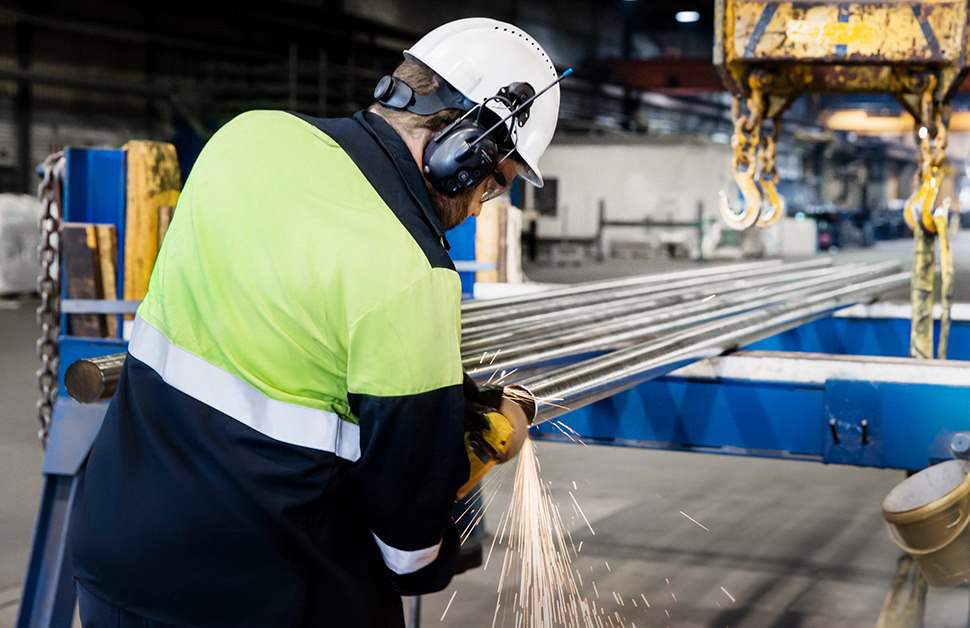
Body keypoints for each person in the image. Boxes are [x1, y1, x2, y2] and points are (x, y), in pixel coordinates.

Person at [70, 17, 561, 628]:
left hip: (115, 556)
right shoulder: (411, 271)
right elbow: (409, 553)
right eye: (492, 184)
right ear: (465, 149)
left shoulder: (245, 137)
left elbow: (293, 326)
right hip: (255, 598)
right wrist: (465, 460)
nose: (477, 205)